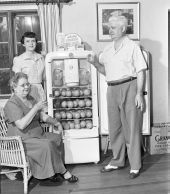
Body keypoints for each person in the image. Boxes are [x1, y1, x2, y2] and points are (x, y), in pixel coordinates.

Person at [88, 14, 147, 179]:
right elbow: (105, 71)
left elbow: (141, 71)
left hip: (130, 86)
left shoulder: (132, 46)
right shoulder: (107, 49)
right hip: (112, 89)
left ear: (123, 28)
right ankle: (117, 160)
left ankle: (135, 165)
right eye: (109, 28)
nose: (110, 31)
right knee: (115, 128)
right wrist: (94, 63)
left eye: (113, 28)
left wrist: (139, 93)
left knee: (132, 128)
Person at [4, 72, 78, 185]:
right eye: (23, 85)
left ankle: (52, 172)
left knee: (56, 138)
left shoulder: (30, 99)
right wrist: (35, 108)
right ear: (14, 87)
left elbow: (41, 115)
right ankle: (64, 172)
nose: (26, 87)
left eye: (27, 84)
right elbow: (21, 125)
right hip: (21, 140)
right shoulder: (11, 104)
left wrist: (56, 122)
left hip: (37, 134)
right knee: (47, 144)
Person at [12, 32, 46, 102]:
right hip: (26, 92)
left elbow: (44, 77)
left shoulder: (41, 58)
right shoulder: (18, 59)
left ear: (36, 43)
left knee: (42, 111)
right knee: (29, 112)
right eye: (27, 41)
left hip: (40, 91)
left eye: (33, 41)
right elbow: (18, 81)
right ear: (23, 44)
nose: (31, 43)